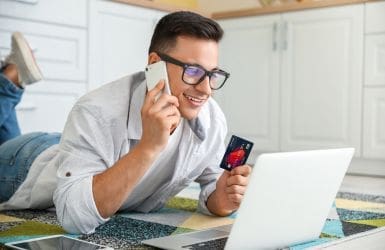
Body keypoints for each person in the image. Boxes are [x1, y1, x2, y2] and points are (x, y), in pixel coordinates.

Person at [0, 11, 252, 235]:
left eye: (212, 74)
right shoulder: (96, 111)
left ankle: (11, 79)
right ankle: (9, 81)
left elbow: (212, 186)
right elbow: (74, 219)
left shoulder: (210, 116)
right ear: (155, 64)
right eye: (193, 71)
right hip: (26, 163)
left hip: (71, 148)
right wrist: (149, 147)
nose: (206, 89)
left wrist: (227, 195)